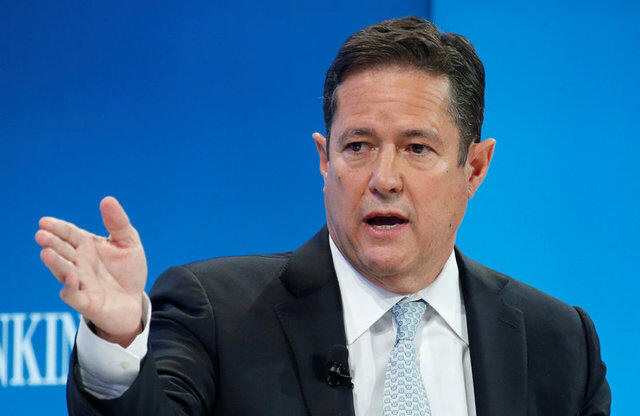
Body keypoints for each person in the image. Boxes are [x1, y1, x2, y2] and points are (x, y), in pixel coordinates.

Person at [35, 16, 610, 416]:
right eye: (358, 146)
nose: (384, 178)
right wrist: (117, 337)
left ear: (474, 168)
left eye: (417, 148)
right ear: (324, 158)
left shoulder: (559, 341)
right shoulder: (216, 313)